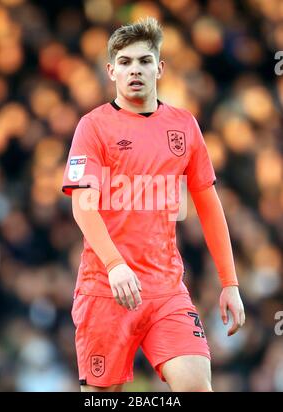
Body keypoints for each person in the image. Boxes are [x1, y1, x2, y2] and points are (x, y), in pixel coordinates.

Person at [62, 17, 245, 392]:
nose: (135, 70)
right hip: (106, 289)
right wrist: (115, 266)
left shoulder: (184, 126)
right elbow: (83, 205)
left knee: (196, 387)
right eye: (125, 62)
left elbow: (208, 205)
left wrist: (230, 283)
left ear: (159, 67)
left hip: (166, 290)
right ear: (111, 71)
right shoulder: (93, 127)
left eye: (145, 61)